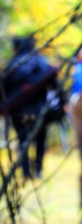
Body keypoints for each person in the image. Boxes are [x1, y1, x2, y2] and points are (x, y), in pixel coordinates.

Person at [1, 36, 57, 179]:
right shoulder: (42, 63)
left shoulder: (12, 65)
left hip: (18, 112)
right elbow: (55, 85)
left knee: (23, 141)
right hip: (40, 110)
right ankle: (38, 170)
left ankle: (26, 172)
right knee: (40, 141)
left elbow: (3, 88)